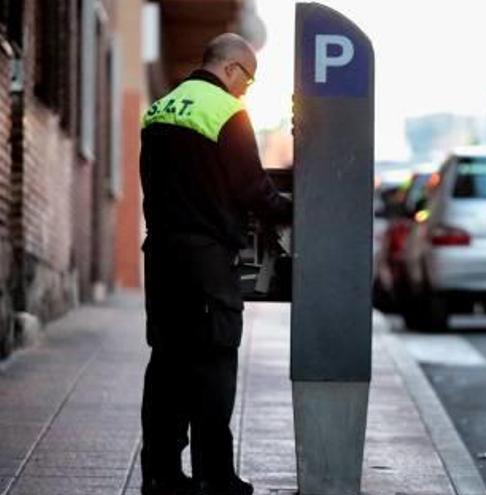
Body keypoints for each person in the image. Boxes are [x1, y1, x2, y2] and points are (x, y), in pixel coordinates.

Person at [139, 33, 291, 495]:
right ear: (231, 69)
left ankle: (161, 474)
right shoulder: (227, 112)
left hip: (161, 255)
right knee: (213, 365)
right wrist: (290, 207)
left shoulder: (160, 107)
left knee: (166, 366)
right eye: (248, 78)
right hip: (206, 262)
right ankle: (215, 477)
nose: (247, 88)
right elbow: (252, 190)